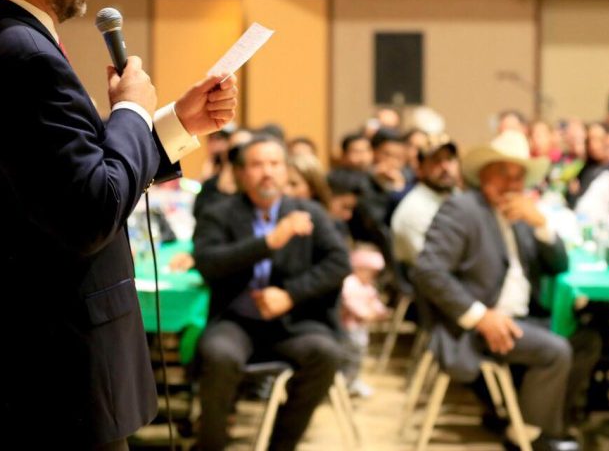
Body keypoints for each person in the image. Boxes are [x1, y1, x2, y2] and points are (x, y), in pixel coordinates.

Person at [0, 0, 238, 451]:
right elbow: (90, 210)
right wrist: (132, 110)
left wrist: (174, 124)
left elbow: (57, 181)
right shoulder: (26, 60)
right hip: (50, 384)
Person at [412, 131, 600, 451]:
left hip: (523, 317)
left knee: (587, 340)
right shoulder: (463, 209)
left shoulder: (521, 213)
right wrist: (480, 316)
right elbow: (428, 271)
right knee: (554, 351)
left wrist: (542, 224)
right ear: (483, 174)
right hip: (477, 326)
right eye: (503, 173)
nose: (511, 184)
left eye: (518, 176)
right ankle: (531, 437)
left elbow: (558, 265)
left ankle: (535, 423)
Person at [191, 136, 351, 451]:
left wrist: (290, 295)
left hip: (293, 324)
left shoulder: (309, 212)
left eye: (275, 164)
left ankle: (281, 445)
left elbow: (339, 263)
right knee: (217, 354)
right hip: (236, 322)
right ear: (241, 173)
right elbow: (207, 262)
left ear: (286, 170)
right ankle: (211, 445)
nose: (267, 172)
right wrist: (268, 242)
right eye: (257, 164)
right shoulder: (218, 213)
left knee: (326, 354)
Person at [390, 134, 460, 268]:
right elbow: (431, 267)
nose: (445, 166)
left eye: (450, 159)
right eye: (436, 160)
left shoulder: (459, 196)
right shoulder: (413, 211)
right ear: (420, 169)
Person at [340, 245, 390, 397]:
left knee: (358, 356)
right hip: (348, 329)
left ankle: (353, 381)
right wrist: (368, 314)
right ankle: (344, 382)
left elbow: (373, 301)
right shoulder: (349, 283)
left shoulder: (367, 285)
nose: (372, 275)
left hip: (360, 329)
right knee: (349, 356)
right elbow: (351, 302)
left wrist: (381, 311)